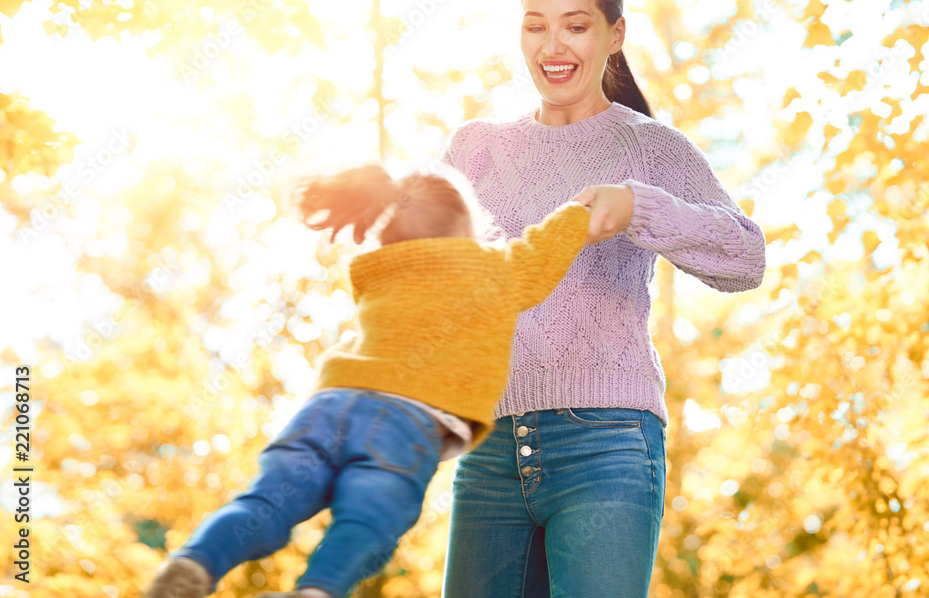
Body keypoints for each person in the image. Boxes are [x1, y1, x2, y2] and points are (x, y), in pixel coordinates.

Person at [439, 0, 767, 597]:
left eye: (576, 24)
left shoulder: (648, 147)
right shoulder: (474, 150)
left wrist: (640, 207)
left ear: (614, 35)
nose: (552, 45)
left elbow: (745, 258)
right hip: (490, 451)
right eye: (536, 25)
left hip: (608, 447)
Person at [144, 162, 594, 598]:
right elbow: (543, 254)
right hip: (406, 420)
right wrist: (581, 210)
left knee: (265, 503)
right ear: (464, 228)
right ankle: (317, 590)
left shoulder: (380, 272)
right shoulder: (493, 270)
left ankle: (196, 561)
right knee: (369, 519)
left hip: (330, 406)